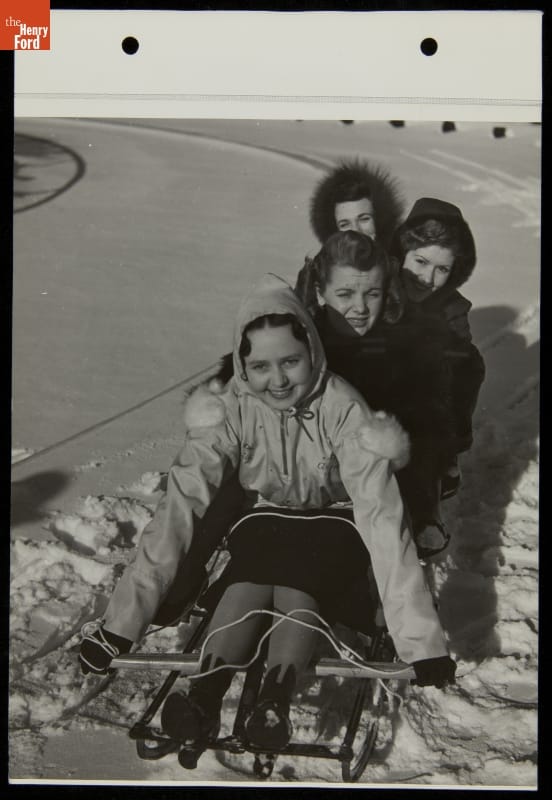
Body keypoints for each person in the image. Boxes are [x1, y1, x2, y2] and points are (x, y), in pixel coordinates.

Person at [79, 274, 455, 753]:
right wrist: (120, 624)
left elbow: (382, 518)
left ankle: (272, 703)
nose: (276, 381)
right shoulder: (230, 408)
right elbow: (178, 508)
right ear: (242, 365)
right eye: (260, 367)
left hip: (334, 521)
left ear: (312, 354)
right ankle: (203, 698)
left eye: (290, 362)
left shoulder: (344, 410)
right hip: (265, 518)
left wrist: (422, 643)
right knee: (245, 583)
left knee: (298, 583)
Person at [295, 231, 456, 558]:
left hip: (383, 473)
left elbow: (427, 426)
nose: (360, 307)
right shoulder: (299, 337)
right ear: (320, 291)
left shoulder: (403, 346)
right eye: (344, 293)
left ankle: (420, 516)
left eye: (372, 294)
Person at [390, 198, 486, 498]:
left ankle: (443, 458)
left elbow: (460, 364)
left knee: (467, 361)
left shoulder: (451, 307)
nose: (428, 279)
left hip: (421, 403)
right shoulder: (377, 287)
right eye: (420, 262)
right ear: (402, 253)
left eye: (442, 269)